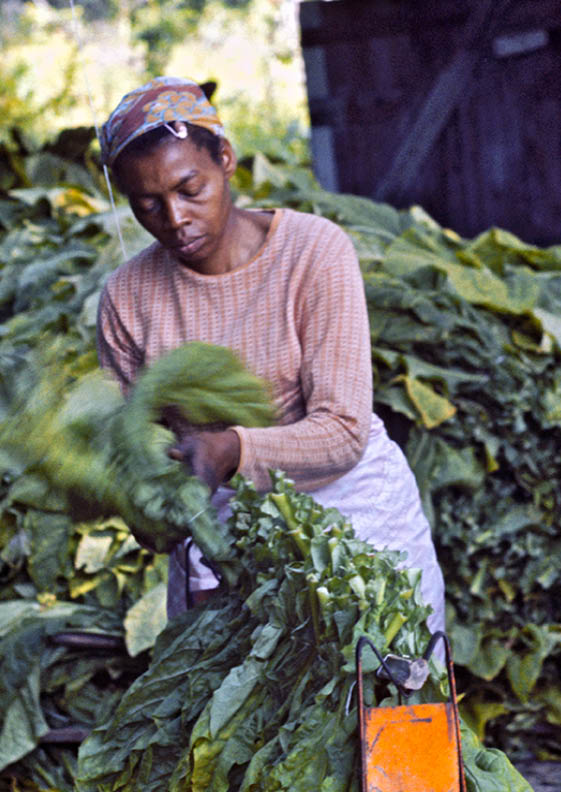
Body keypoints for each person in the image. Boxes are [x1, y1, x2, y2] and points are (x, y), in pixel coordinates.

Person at [97, 76, 445, 632]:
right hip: (224, 538)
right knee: (229, 684)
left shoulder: (313, 251)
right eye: (148, 204)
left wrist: (231, 449)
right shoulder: (126, 296)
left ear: (225, 159)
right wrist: (143, 498)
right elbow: (134, 449)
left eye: (190, 190)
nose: (175, 217)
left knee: (378, 673)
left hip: (355, 517)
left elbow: (343, 432)